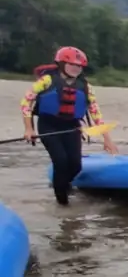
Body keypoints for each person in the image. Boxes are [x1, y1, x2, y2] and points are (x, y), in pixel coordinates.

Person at [20, 46, 119, 205]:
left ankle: (62, 185)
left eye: (79, 66)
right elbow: (26, 103)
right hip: (49, 126)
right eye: (72, 65)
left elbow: (95, 113)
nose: (76, 68)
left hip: (72, 127)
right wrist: (29, 128)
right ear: (61, 64)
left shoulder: (86, 87)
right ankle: (63, 204)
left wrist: (107, 139)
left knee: (75, 166)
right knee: (60, 161)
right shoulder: (46, 81)